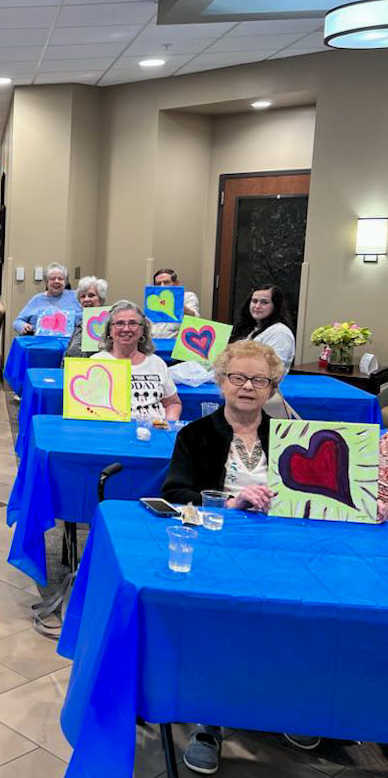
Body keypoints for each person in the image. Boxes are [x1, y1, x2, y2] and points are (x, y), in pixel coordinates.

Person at [158, 339, 377, 773]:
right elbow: (175, 492)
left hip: (287, 546)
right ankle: (209, 721)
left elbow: (336, 492)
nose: (247, 387)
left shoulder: (294, 434)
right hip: (220, 546)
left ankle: (290, 708)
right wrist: (230, 502)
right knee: (223, 621)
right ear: (221, 382)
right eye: (238, 377)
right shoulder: (195, 435)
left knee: (304, 618)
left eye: (259, 380)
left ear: (272, 387)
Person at [93, 300, 181, 422]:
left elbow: (173, 403)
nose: (126, 329)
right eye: (119, 323)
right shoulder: (96, 363)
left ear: (142, 330)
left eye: (133, 323)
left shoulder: (157, 363)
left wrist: (169, 423)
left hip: (155, 430)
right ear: (110, 331)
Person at [229, 284, 295, 367]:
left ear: (276, 306)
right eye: (254, 301)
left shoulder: (280, 333)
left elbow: (273, 367)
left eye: (264, 302)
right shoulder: (248, 328)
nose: (257, 306)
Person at [13, 262, 81, 334]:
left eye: (60, 279)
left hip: (71, 339)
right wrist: (23, 326)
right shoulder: (36, 300)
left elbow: (85, 318)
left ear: (66, 282)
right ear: (46, 282)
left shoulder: (76, 296)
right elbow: (17, 322)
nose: (56, 281)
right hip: (40, 339)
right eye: (52, 279)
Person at [150, 267, 200, 340]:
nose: (162, 286)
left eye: (166, 282)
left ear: (176, 284)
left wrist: (177, 304)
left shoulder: (187, 296)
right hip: (155, 342)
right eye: (158, 284)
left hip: (176, 343)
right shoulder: (153, 301)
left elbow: (195, 318)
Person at [65, 276, 108, 359]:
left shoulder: (110, 323)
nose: (86, 299)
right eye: (83, 296)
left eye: (91, 295)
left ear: (101, 299)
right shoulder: (80, 324)